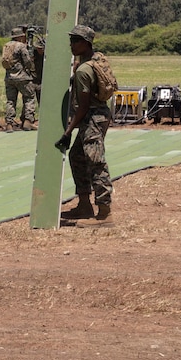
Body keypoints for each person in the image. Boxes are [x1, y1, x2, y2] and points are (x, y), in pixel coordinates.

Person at [56, 25, 115, 226]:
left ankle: (105, 213)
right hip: (98, 115)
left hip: (91, 118)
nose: (71, 44)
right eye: (71, 40)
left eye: (76, 41)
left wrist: (68, 131)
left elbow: (82, 106)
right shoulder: (96, 59)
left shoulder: (83, 70)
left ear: (86, 43)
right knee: (77, 157)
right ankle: (84, 205)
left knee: (96, 163)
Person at [1, 26, 36, 131]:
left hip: (9, 78)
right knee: (29, 98)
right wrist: (31, 68)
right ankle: (28, 121)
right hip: (22, 78)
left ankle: (9, 124)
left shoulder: (6, 46)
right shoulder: (21, 46)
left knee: (11, 101)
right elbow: (27, 61)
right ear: (20, 36)